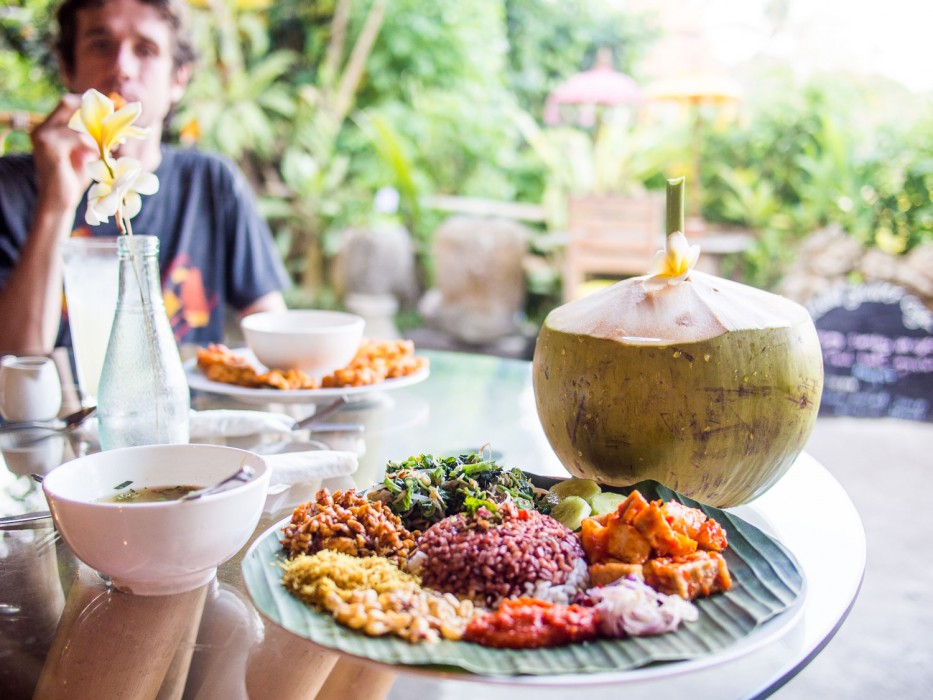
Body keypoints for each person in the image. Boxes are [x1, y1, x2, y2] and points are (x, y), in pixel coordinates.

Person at [0, 0, 288, 356]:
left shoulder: (211, 182)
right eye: (101, 45)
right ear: (67, 68)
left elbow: (274, 335)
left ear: (178, 79)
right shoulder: (9, 188)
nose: (122, 68)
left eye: (146, 50)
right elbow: (16, 364)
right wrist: (55, 205)